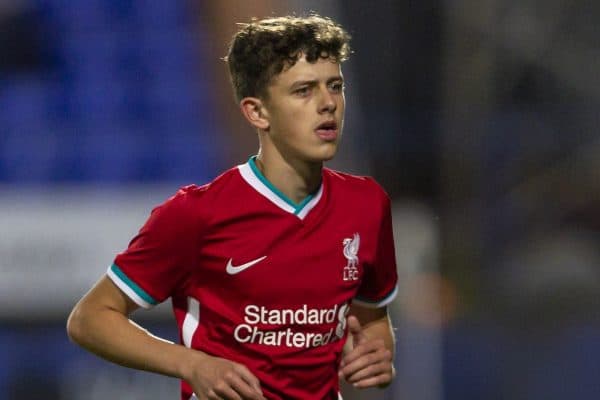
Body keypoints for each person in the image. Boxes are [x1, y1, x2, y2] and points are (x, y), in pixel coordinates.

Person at [67, 13, 398, 400]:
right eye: (304, 90)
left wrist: (378, 351)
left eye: (335, 86)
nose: (328, 104)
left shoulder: (367, 204)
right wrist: (193, 363)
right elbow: (89, 319)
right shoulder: (197, 214)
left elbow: (373, 318)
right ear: (257, 112)